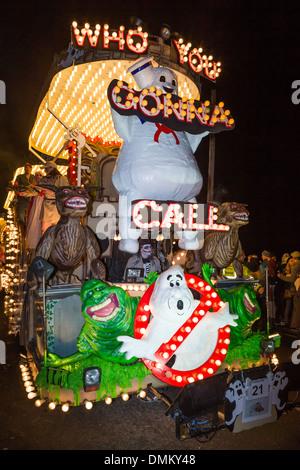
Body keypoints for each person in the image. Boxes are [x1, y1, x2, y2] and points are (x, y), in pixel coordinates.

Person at [39, 161, 69, 235]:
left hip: (57, 206)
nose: (45, 170)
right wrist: (24, 192)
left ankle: (57, 246)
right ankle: (45, 246)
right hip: (46, 206)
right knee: (44, 230)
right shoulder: (44, 179)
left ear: (51, 168)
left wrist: (53, 192)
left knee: (58, 231)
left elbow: (66, 192)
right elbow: (36, 190)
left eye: (46, 168)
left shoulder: (62, 179)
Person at [277, 251, 300, 327]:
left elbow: (292, 279)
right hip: (291, 289)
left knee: (292, 307)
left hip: (293, 289)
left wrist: (281, 277)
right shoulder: (291, 267)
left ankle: (292, 324)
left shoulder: (295, 266)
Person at [14, 163, 34, 229]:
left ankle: (28, 228)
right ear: (24, 169)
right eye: (26, 168)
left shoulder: (33, 177)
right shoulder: (19, 177)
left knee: (31, 214)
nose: (28, 169)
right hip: (22, 199)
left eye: (29, 168)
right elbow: (16, 186)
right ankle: (23, 228)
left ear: (31, 169)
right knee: (21, 215)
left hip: (31, 199)